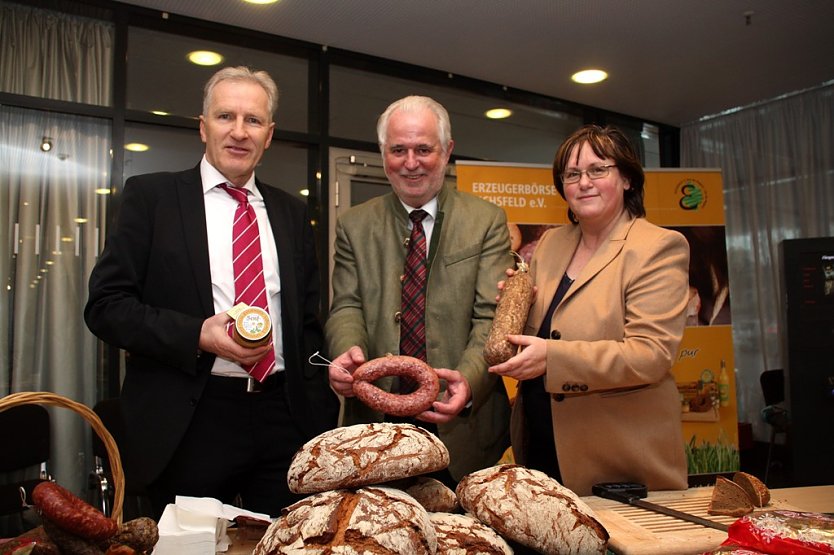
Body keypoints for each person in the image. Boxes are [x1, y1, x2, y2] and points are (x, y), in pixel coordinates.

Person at [84, 66, 338, 517]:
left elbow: (305, 323)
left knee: (288, 543)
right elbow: (106, 307)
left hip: (284, 418)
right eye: (225, 117)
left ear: (270, 133)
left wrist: (315, 406)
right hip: (191, 420)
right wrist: (197, 334)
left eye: (253, 120)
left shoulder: (293, 213)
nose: (239, 132)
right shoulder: (152, 198)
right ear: (202, 126)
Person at [489, 124, 690, 496]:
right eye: (572, 174)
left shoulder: (657, 247)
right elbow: (546, 331)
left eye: (598, 170)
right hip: (541, 450)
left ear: (627, 178)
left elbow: (651, 354)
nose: (584, 182)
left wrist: (553, 357)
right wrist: (516, 310)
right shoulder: (551, 243)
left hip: (616, 456)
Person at [325, 96, 512, 484]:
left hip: (460, 427)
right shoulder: (353, 225)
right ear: (383, 153)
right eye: (398, 150)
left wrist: (468, 380)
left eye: (424, 149)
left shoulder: (486, 221)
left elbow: (490, 319)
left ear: (447, 150)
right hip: (374, 427)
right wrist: (346, 353)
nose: (411, 163)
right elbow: (346, 305)